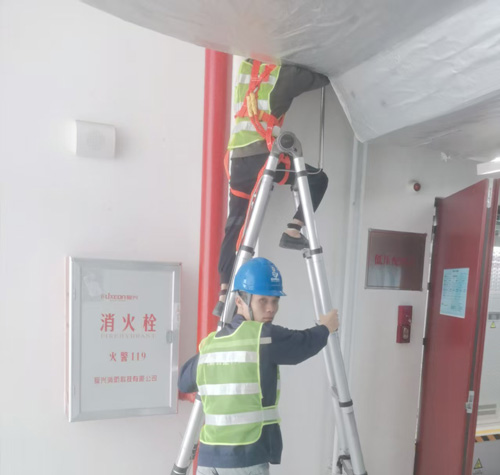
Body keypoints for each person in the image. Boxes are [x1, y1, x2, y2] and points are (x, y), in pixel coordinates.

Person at [179, 257, 339, 475]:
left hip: (209, 461)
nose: (271, 309)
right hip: (245, 458)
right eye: (263, 301)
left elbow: (184, 381)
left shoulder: (210, 344)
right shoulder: (262, 337)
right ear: (239, 301)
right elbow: (303, 344)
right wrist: (326, 327)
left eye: (275, 301)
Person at [215, 59, 330, 315]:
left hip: (236, 159)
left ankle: (224, 293)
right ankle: (293, 230)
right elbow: (322, 78)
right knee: (317, 179)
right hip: (262, 156)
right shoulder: (282, 76)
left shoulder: (246, 69)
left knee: (235, 225)